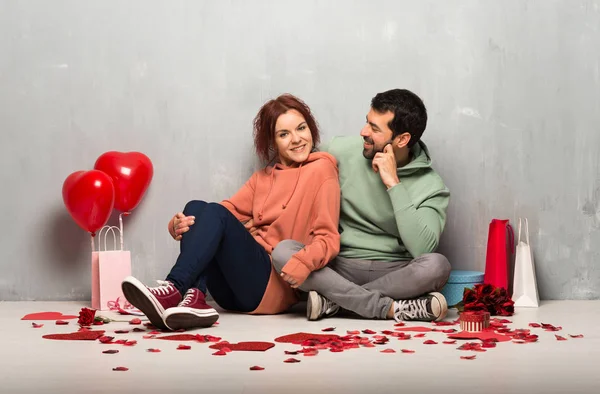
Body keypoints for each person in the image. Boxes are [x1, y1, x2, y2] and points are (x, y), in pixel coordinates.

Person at [121, 94, 341, 331]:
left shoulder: (322, 170)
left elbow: (328, 238)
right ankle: (195, 298)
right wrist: (176, 225)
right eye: (284, 134)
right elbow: (213, 219)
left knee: (213, 212)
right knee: (196, 207)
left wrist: (302, 264)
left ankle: (175, 287)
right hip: (230, 293)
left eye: (301, 128)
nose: (297, 139)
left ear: (311, 129)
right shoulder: (263, 178)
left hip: (271, 287)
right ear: (273, 142)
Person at [272, 89, 451, 322]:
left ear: (402, 139)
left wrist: (393, 183)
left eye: (375, 129)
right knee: (283, 252)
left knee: (438, 265)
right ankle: (384, 307)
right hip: (338, 268)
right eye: (367, 122)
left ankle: (336, 302)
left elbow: (422, 249)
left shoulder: (432, 186)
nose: (363, 132)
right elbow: (296, 171)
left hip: (395, 273)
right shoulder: (340, 150)